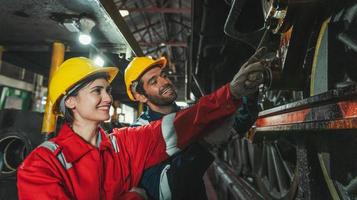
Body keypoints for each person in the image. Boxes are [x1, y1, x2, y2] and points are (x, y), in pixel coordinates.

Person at [17, 48, 267, 199]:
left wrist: (233, 92)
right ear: (70, 101)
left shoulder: (123, 142)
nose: (108, 98)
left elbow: (181, 124)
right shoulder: (40, 165)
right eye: (97, 91)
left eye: (107, 90)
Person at [124, 56, 260, 200]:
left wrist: (249, 93)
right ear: (140, 96)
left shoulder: (188, 115)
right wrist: (205, 145)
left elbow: (235, 125)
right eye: (154, 82)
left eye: (163, 76)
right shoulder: (138, 134)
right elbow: (164, 191)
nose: (164, 82)